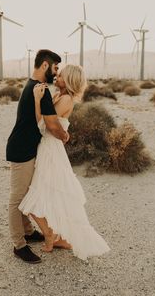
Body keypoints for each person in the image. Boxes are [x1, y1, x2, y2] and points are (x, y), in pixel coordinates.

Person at [19, 65, 110, 260]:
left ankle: (51, 236)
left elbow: (46, 125)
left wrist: (37, 102)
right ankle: (55, 235)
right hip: (47, 148)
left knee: (37, 195)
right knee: (44, 193)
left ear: (68, 80)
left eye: (60, 75)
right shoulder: (58, 96)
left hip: (51, 151)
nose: (56, 76)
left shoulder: (66, 99)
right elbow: (45, 123)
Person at [6, 49, 69, 264]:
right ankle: (19, 245)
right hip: (22, 150)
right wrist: (65, 136)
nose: (56, 72)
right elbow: (51, 124)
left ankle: (27, 231)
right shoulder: (40, 89)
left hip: (26, 148)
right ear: (45, 66)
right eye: (55, 68)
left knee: (25, 193)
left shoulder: (33, 86)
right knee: (17, 199)